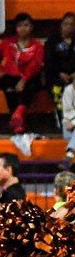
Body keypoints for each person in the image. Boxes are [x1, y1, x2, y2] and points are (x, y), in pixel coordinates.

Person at [0, 14, 45, 135]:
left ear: (31, 27)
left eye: (26, 25)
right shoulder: (7, 43)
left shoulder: (37, 47)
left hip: (30, 78)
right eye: (19, 26)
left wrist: (24, 80)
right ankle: (17, 121)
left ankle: (18, 114)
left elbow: (35, 66)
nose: (23, 28)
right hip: (11, 77)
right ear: (15, 28)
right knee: (8, 87)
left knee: (31, 86)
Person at [47, 14, 75, 164]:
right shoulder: (53, 42)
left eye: (72, 24)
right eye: (66, 23)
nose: (68, 26)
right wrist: (60, 73)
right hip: (58, 81)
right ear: (61, 25)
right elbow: (48, 63)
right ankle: (70, 154)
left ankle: (70, 154)